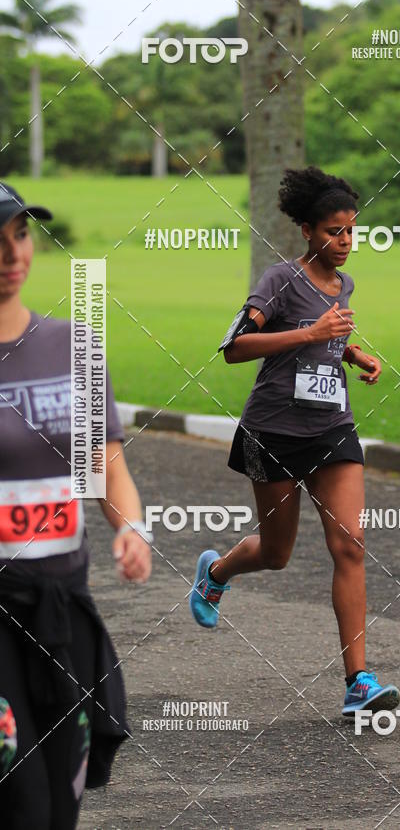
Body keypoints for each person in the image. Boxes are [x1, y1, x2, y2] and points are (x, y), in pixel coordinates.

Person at [190, 166, 400, 718]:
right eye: (334, 232)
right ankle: (216, 574)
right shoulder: (278, 280)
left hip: (332, 427)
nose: (346, 242)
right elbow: (235, 347)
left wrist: (353, 354)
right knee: (278, 553)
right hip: (273, 431)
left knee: (350, 545)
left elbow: (330, 333)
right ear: (307, 230)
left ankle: (359, 683)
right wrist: (308, 334)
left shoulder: (344, 284)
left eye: (352, 231)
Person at [0, 182, 152, 829]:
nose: (12, 255)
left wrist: (133, 527)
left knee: (64, 804)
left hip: (65, 612)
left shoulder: (75, 346)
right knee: (24, 802)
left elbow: (107, 465)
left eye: (21, 235)